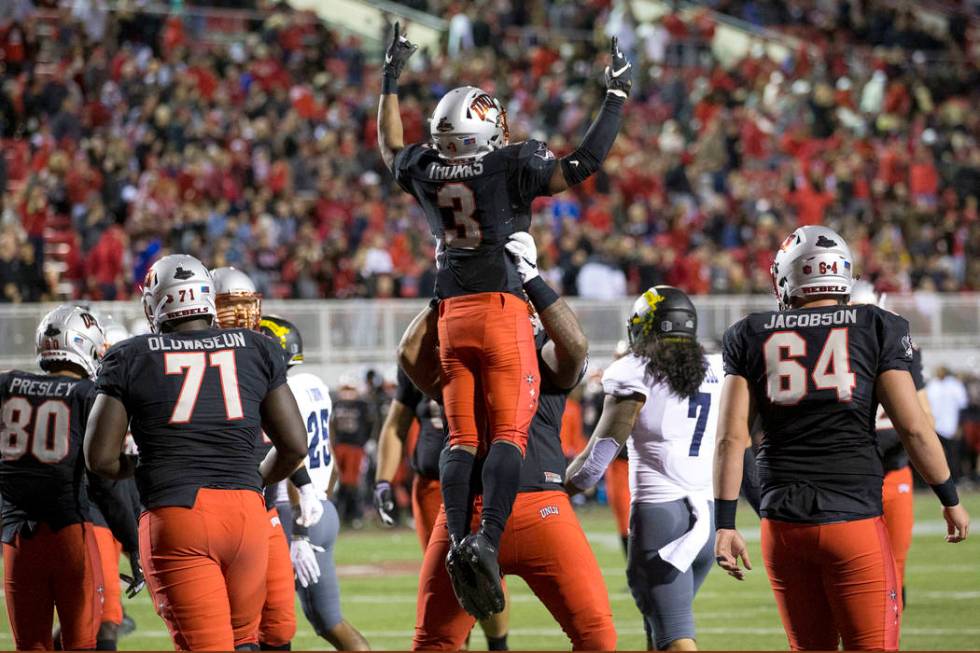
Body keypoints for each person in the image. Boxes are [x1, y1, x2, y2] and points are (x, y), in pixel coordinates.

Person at [378, 22, 632, 614]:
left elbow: (391, 147)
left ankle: (460, 541)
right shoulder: (509, 165)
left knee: (463, 436)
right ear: (489, 131)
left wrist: (390, 77)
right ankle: (486, 543)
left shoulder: (425, 168)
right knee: (510, 433)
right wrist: (615, 96)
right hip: (500, 308)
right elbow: (584, 162)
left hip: (449, 312)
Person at [713, 226, 970, 651]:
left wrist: (725, 524)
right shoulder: (876, 324)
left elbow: (729, 439)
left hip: (782, 523)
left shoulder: (750, 332)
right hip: (853, 518)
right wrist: (948, 496)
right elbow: (914, 428)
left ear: (787, 277)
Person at [403, 232, 617, 650]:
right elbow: (409, 356)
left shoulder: (537, 352)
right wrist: (445, 291)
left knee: (596, 636)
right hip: (488, 510)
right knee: (434, 641)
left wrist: (529, 281)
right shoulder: (462, 351)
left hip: (526, 506)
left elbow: (574, 348)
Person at [84, 254, 309, 651]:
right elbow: (294, 445)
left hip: (178, 514)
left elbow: (99, 458)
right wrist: (254, 478)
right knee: (245, 644)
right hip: (247, 515)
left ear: (156, 303)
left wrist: (144, 466)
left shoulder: (131, 355)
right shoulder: (257, 346)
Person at [566, 286, 723, 651]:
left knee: (674, 637)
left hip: (660, 520)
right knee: (657, 631)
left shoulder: (634, 370)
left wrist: (554, 488)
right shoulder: (716, 368)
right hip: (706, 517)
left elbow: (595, 463)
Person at [211, 266, 325, 651]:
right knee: (229, 629)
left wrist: (304, 484)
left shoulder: (258, 354)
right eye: (230, 307)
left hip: (263, 507)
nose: (241, 315)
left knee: (278, 626)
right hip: (215, 502)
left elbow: (284, 437)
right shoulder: (195, 357)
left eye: (246, 305)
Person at [1, 305, 120, 650]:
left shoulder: (8, 384)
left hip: (17, 538)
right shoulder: (86, 395)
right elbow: (105, 480)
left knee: (31, 645)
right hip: (69, 531)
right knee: (82, 643)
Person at [374, 362, 511, 650]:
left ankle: (499, 646)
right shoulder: (420, 357)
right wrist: (383, 481)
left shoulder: (487, 354)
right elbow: (396, 424)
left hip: (477, 486)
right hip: (431, 487)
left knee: (484, 575)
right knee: (451, 580)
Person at [258, 314, 370, 651]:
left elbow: (294, 455)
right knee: (329, 623)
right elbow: (330, 454)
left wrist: (300, 530)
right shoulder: (315, 385)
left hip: (292, 515)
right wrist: (321, 501)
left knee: (266, 623)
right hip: (322, 507)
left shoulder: (280, 393)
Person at [851, 281, 934, 602]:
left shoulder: (903, 350)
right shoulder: (834, 352)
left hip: (891, 471)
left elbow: (925, 420)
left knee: (894, 567)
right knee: (855, 571)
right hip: (852, 476)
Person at [83, 312, 143, 650]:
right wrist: (134, 541)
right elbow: (106, 480)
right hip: (101, 516)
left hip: (121, 515)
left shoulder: (143, 397)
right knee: (103, 620)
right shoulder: (95, 397)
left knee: (91, 620)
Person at [332, 377, 373, 528]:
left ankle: (355, 515)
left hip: (355, 447)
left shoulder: (362, 405)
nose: (347, 393)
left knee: (353, 483)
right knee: (338, 483)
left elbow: (370, 424)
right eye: (345, 389)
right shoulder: (335, 404)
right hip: (339, 446)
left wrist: (366, 442)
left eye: (350, 389)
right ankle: (339, 514)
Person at [926, 366, 968, 482]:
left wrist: (959, 426)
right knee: (934, 455)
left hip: (951, 426)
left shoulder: (955, 385)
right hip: (934, 426)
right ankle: (936, 480)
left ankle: (954, 479)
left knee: (952, 455)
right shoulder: (932, 385)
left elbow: (962, 406)